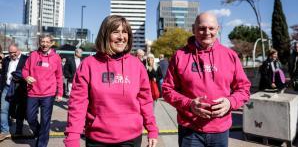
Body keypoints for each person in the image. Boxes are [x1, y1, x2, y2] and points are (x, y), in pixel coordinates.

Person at [64, 15, 158, 147]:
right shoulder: (88, 64)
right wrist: (72, 136)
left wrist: (152, 129)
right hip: (97, 139)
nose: (121, 37)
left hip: (131, 139)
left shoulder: (137, 65)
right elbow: (77, 103)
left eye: (125, 32)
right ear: (105, 34)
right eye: (115, 32)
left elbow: (145, 101)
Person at [162, 12, 251, 147]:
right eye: (202, 28)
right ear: (193, 29)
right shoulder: (180, 56)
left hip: (220, 130)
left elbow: (244, 88)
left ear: (218, 29)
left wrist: (230, 102)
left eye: (211, 28)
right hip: (190, 131)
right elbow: (167, 89)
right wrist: (189, 104)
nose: (206, 32)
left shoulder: (230, 55)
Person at [22, 34, 63, 147]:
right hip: (33, 92)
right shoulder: (33, 55)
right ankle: (40, 133)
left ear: (51, 43)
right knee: (30, 118)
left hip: (48, 94)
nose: (44, 44)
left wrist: (60, 93)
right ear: (39, 43)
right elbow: (25, 70)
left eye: (47, 42)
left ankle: (41, 144)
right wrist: (26, 77)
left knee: (45, 120)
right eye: (42, 42)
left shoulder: (56, 58)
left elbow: (59, 76)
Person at [0, 44, 28, 140]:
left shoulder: (26, 59)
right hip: (7, 87)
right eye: (10, 52)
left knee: (20, 111)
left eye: (14, 52)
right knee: (3, 109)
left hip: (20, 88)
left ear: (19, 50)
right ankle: (5, 131)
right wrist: (1, 87)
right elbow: (3, 74)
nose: (12, 54)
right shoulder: (6, 60)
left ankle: (18, 131)